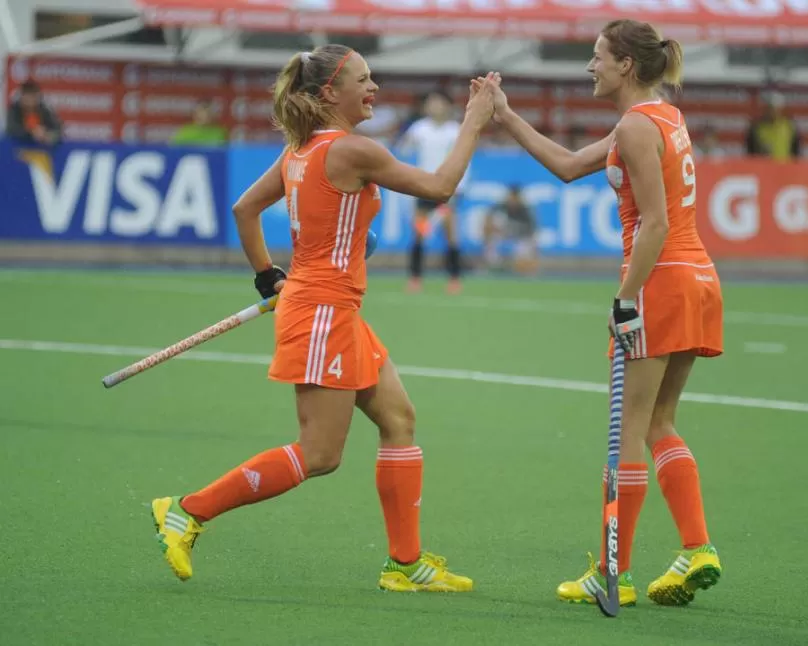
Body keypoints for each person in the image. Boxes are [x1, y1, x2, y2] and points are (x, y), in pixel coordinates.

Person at [150, 44, 496, 592]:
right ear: (330, 92)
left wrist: (270, 276)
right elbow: (440, 188)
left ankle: (406, 564)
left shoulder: (300, 150)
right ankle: (187, 511)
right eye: (364, 79)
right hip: (321, 314)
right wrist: (474, 121)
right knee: (320, 454)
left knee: (399, 420)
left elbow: (246, 210)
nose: (374, 87)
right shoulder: (353, 150)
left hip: (332, 307)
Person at [474, 19, 722, 608]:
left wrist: (625, 299)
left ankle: (618, 574)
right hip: (698, 280)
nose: (590, 67)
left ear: (626, 66)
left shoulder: (636, 127)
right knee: (660, 423)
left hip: (659, 283)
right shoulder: (660, 116)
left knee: (631, 431)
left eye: (597, 57)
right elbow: (566, 166)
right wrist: (503, 115)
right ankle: (697, 549)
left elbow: (656, 223)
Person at [397, 90, 468, 294]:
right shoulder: (419, 128)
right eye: (430, 103)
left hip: (447, 188)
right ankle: (415, 278)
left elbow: (464, 161)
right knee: (419, 233)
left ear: (447, 106)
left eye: (437, 102)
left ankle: (454, 279)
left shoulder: (455, 130)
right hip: (424, 187)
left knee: (451, 234)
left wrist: (458, 188)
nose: (433, 106)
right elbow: (403, 149)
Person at [481, 184, 539, 275]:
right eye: (511, 197)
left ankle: (524, 269)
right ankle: (493, 267)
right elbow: (487, 220)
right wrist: (494, 229)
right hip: (503, 237)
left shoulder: (525, 210)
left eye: (515, 197)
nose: (512, 200)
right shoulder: (501, 206)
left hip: (521, 238)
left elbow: (531, 232)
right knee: (491, 240)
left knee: (525, 249)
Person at [745, 91, 800, 161]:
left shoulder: (789, 127)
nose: (772, 112)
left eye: (774, 108)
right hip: (763, 168)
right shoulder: (756, 128)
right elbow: (750, 152)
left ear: (780, 109)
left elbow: (796, 152)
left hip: (785, 168)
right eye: (769, 108)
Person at [5, 80, 62, 146]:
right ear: (22, 96)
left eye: (33, 96)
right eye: (27, 96)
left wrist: (47, 134)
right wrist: (31, 132)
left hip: (40, 152)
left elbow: (58, 129)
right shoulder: (14, 110)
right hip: (16, 149)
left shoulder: (44, 110)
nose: (30, 100)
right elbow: (11, 129)